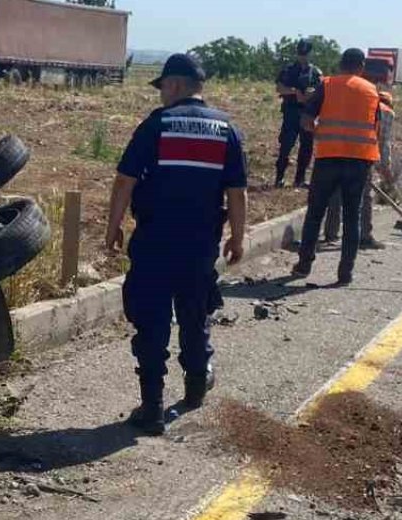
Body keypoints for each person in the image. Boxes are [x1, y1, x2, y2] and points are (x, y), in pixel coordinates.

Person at [105, 54, 247, 435]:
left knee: (151, 320)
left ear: (177, 85)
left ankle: (151, 408)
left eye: (164, 86)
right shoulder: (226, 129)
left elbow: (125, 180)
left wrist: (113, 226)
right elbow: (236, 191)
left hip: (155, 241)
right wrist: (238, 235)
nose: (163, 94)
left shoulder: (157, 125)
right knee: (194, 314)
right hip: (200, 244)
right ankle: (196, 386)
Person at [290, 48, 381, 286]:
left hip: (328, 159)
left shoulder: (326, 85)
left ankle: (303, 266)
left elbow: (307, 120)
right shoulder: (372, 91)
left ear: (341, 64)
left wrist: (321, 132)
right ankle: (345, 274)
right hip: (359, 162)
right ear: (361, 67)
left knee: (315, 214)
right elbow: (375, 127)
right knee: (352, 217)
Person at [322, 90, 396, 250]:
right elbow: (383, 142)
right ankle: (364, 236)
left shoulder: (357, 105)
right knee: (364, 198)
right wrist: (384, 168)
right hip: (362, 157)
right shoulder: (387, 113)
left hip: (337, 152)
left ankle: (330, 233)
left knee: (336, 194)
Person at [274, 39, 322, 188]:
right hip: (291, 112)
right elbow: (279, 88)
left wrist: (311, 93)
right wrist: (295, 92)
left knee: (306, 147)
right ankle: (279, 178)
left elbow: (321, 90)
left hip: (307, 113)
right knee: (286, 146)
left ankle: (299, 179)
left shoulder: (315, 72)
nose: (303, 57)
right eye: (301, 53)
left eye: (305, 54)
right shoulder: (288, 70)